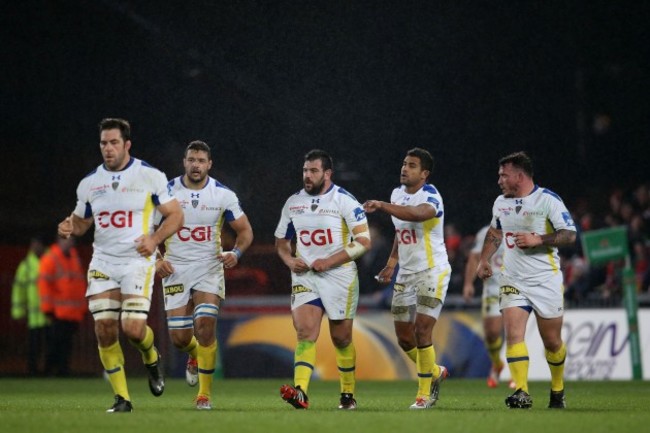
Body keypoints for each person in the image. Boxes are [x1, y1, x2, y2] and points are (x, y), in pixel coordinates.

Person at [57, 118, 184, 412]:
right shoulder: (90, 183)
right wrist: (69, 225)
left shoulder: (150, 175)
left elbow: (176, 216)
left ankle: (151, 356)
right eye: (104, 143)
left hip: (137, 262)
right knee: (104, 329)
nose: (108, 148)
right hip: (103, 261)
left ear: (127, 145)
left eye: (114, 142)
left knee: (133, 329)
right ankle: (122, 398)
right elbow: (81, 221)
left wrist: (154, 239)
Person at [154, 140, 253, 410]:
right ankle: (194, 355)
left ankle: (204, 395)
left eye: (201, 161)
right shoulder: (166, 192)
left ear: (209, 164)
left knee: (206, 326)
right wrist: (157, 260)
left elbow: (245, 232)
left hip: (209, 268)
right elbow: (144, 231)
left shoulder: (223, 195)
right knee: (180, 339)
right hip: (175, 270)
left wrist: (236, 253)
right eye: (191, 160)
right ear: (184, 162)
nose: (195, 165)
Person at [476, 151, 576, 409]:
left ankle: (557, 389)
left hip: (546, 280)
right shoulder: (500, 203)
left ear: (519, 176)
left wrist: (539, 239)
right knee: (513, 335)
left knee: (552, 342)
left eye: (503, 175)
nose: (499, 180)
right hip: (513, 278)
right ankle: (521, 391)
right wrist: (484, 259)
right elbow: (495, 231)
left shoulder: (547, 200)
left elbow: (569, 235)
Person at [275, 149, 371, 410]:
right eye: (305, 170)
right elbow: (282, 242)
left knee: (341, 338)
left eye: (314, 170)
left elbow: (364, 241)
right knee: (305, 332)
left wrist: (329, 261)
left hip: (339, 276)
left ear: (327, 173)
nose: (308, 175)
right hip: (305, 276)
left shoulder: (344, 201)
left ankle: (347, 394)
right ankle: (301, 392)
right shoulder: (292, 203)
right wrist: (289, 260)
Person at [363, 147, 450, 410]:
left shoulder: (431, 195)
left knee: (423, 330)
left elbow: (417, 214)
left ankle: (424, 395)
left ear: (424, 174)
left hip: (432, 271)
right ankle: (434, 371)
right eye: (404, 163)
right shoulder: (396, 194)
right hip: (406, 274)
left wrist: (381, 206)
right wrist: (391, 264)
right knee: (403, 337)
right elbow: (402, 232)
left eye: (412, 165)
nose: (404, 168)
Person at [463, 225, 514, 388]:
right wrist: (468, 284)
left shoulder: (523, 227)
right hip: (492, 288)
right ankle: (497, 363)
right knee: (492, 333)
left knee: (515, 331)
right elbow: (474, 257)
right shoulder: (486, 232)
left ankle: (516, 374)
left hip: (516, 287)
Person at [38, 236, 88, 376]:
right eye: (67, 240)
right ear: (59, 240)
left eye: (72, 240)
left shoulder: (74, 258)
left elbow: (79, 285)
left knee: (66, 344)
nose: (70, 243)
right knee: (54, 343)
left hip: (71, 313)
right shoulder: (51, 258)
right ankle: (48, 370)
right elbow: (44, 286)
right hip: (57, 311)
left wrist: (82, 308)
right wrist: (48, 309)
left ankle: (62, 370)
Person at [11, 236, 48, 375]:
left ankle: (47, 370)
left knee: (49, 346)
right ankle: (33, 370)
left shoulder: (50, 261)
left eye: (37, 244)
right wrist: (18, 311)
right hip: (34, 315)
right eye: (33, 244)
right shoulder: (26, 265)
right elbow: (18, 289)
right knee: (34, 346)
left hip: (49, 313)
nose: (35, 247)